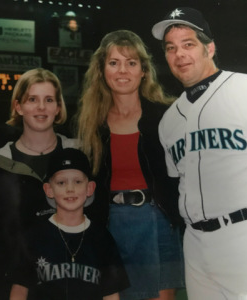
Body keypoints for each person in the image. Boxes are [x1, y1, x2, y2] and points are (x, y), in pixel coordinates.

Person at [152, 7, 247, 300]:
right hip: (196, 248)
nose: (180, 54)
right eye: (171, 48)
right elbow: (176, 186)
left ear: (210, 48)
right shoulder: (169, 121)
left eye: (188, 44)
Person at [76, 29, 185, 300]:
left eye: (131, 63)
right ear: (101, 71)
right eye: (114, 63)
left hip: (158, 221)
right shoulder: (91, 123)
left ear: (144, 71)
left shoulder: (167, 116)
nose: (122, 70)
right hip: (109, 226)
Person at [0, 68, 79, 300]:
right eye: (32, 99)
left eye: (49, 99)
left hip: (71, 280)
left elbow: (96, 219)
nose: (41, 107)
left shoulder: (79, 154)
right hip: (13, 282)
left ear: (58, 107)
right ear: (18, 106)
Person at [9, 148, 130, 300]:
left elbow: (111, 294)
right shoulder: (33, 236)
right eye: (61, 182)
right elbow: (19, 289)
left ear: (90, 188)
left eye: (78, 182)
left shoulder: (102, 238)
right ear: (49, 190)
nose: (70, 189)